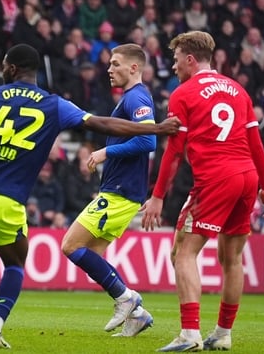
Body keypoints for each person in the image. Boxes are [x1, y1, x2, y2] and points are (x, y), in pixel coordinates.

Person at [0, 44, 179, 349]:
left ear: (10, 69)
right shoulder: (54, 104)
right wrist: (158, 128)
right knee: (17, 264)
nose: (109, 69)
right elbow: (101, 123)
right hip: (6, 198)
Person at [141, 31, 264, 352]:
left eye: (176, 58)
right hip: (247, 176)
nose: (174, 65)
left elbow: (174, 152)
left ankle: (190, 333)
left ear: (190, 59)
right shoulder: (238, 90)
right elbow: (256, 145)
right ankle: (223, 333)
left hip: (216, 179)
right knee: (232, 257)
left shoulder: (183, 93)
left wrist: (157, 195)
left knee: (183, 252)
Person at [60, 44, 157, 337]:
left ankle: (127, 299)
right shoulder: (129, 99)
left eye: (115, 64)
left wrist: (106, 153)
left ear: (133, 68)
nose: (109, 69)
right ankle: (137, 315)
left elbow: (149, 141)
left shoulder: (137, 97)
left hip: (121, 190)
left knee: (70, 245)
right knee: (94, 253)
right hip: (121, 189)